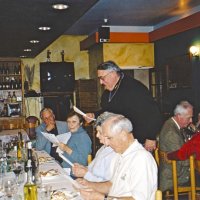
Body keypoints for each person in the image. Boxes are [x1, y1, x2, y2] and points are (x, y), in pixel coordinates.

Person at [77, 112, 158, 200]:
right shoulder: (121, 155)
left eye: (109, 138)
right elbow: (112, 186)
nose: (106, 143)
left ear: (123, 135)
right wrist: (89, 184)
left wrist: (102, 198)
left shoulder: (141, 159)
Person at [85, 60, 162, 151]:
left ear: (113, 74)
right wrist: (94, 115)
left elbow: (153, 112)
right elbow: (109, 111)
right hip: (120, 139)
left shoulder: (134, 88)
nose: (101, 82)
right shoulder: (108, 91)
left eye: (102, 78)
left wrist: (151, 137)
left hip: (138, 139)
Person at [159, 101, 193, 192]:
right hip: (175, 178)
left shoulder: (171, 124)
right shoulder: (171, 133)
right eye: (189, 118)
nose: (191, 121)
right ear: (179, 116)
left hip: (176, 172)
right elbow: (184, 160)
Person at [72, 112, 117, 182]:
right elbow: (94, 169)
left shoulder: (116, 153)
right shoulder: (103, 148)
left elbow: (107, 184)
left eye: (100, 132)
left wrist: (85, 174)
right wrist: (84, 168)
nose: (97, 135)